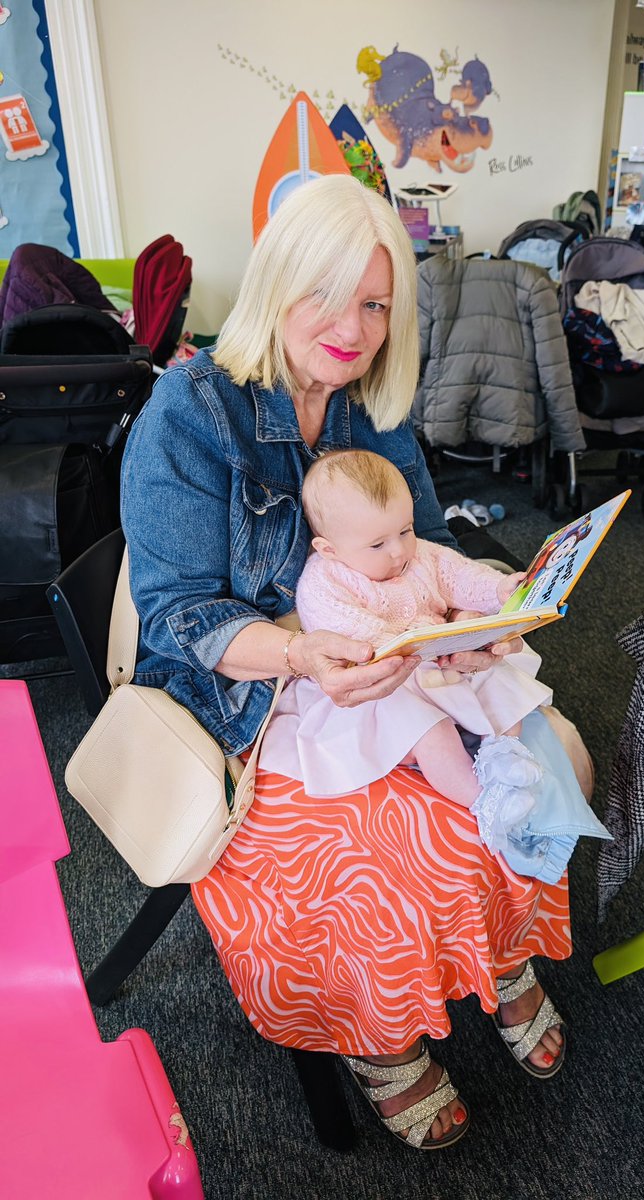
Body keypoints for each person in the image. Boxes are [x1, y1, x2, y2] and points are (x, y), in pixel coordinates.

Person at [121, 174, 594, 1150]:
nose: (353, 327)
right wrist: (298, 652)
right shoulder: (190, 412)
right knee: (368, 858)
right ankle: (379, 1039)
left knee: (546, 756)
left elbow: (419, 546)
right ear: (277, 284)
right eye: (328, 295)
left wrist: (486, 611)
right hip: (248, 695)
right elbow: (177, 617)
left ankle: (498, 959)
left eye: (376, 303)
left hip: (381, 672)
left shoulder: (367, 405)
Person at [260, 449, 606, 879]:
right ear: (329, 548)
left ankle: (504, 754)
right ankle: (482, 799)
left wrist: (500, 589)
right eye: (378, 544)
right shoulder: (323, 582)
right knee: (429, 730)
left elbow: (458, 574)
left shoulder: (417, 552)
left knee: (502, 681)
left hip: (437, 658)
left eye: (404, 530)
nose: (399, 550)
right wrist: (406, 644)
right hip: (379, 686)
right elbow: (349, 633)